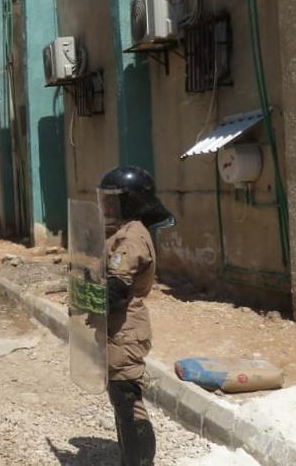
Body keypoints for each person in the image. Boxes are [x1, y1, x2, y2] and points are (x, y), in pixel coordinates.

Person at [97, 166, 173, 466]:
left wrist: (87, 300)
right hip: (116, 327)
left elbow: (115, 290)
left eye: (112, 201)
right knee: (120, 397)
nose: (106, 206)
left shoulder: (132, 238)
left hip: (125, 327)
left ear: (129, 203)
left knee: (128, 399)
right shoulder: (120, 231)